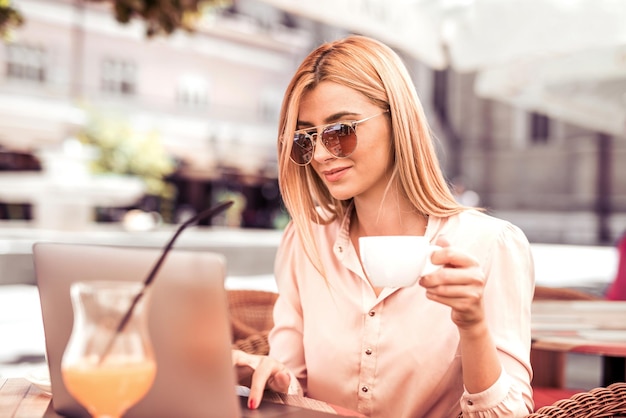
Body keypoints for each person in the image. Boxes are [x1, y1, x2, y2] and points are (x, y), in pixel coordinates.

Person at [232, 35, 535, 418]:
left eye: (341, 131)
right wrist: (274, 379)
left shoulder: (490, 245)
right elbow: (293, 384)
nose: (322, 155)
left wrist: (473, 326)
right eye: (305, 138)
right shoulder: (305, 241)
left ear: (397, 120)